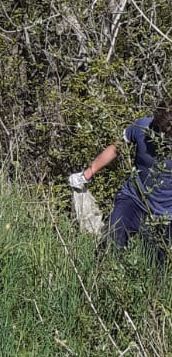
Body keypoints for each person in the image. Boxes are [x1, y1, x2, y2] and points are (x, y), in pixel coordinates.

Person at [68, 103, 172, 258]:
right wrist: (87, 174)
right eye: (162, 132)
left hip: (165, 213)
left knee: (158, 262)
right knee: (111, 241)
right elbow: (116, 148)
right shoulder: (143, 127)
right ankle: (100, 277)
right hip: (133, 199)